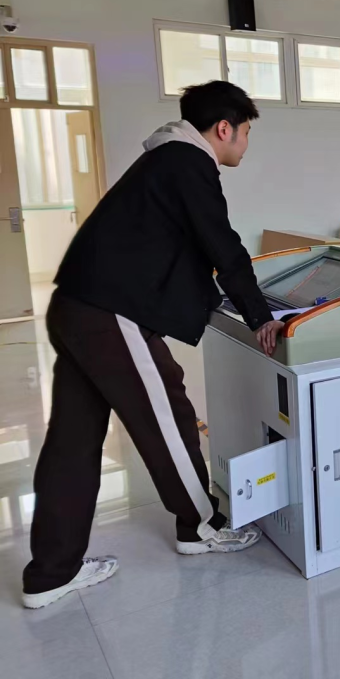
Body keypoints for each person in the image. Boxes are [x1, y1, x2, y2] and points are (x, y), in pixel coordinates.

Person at [22, 81, 277, 610]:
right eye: (246, 132)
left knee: (72, 441)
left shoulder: (162, 160)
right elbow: (221, 244)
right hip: (111, 314)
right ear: (224, 128)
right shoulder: (188, 162)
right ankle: (200, 527)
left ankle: (50, 573)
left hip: (76, 305)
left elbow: (172, 248)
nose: (246, 143)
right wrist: (260, 316)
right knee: (170, 418)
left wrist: (216, 299)